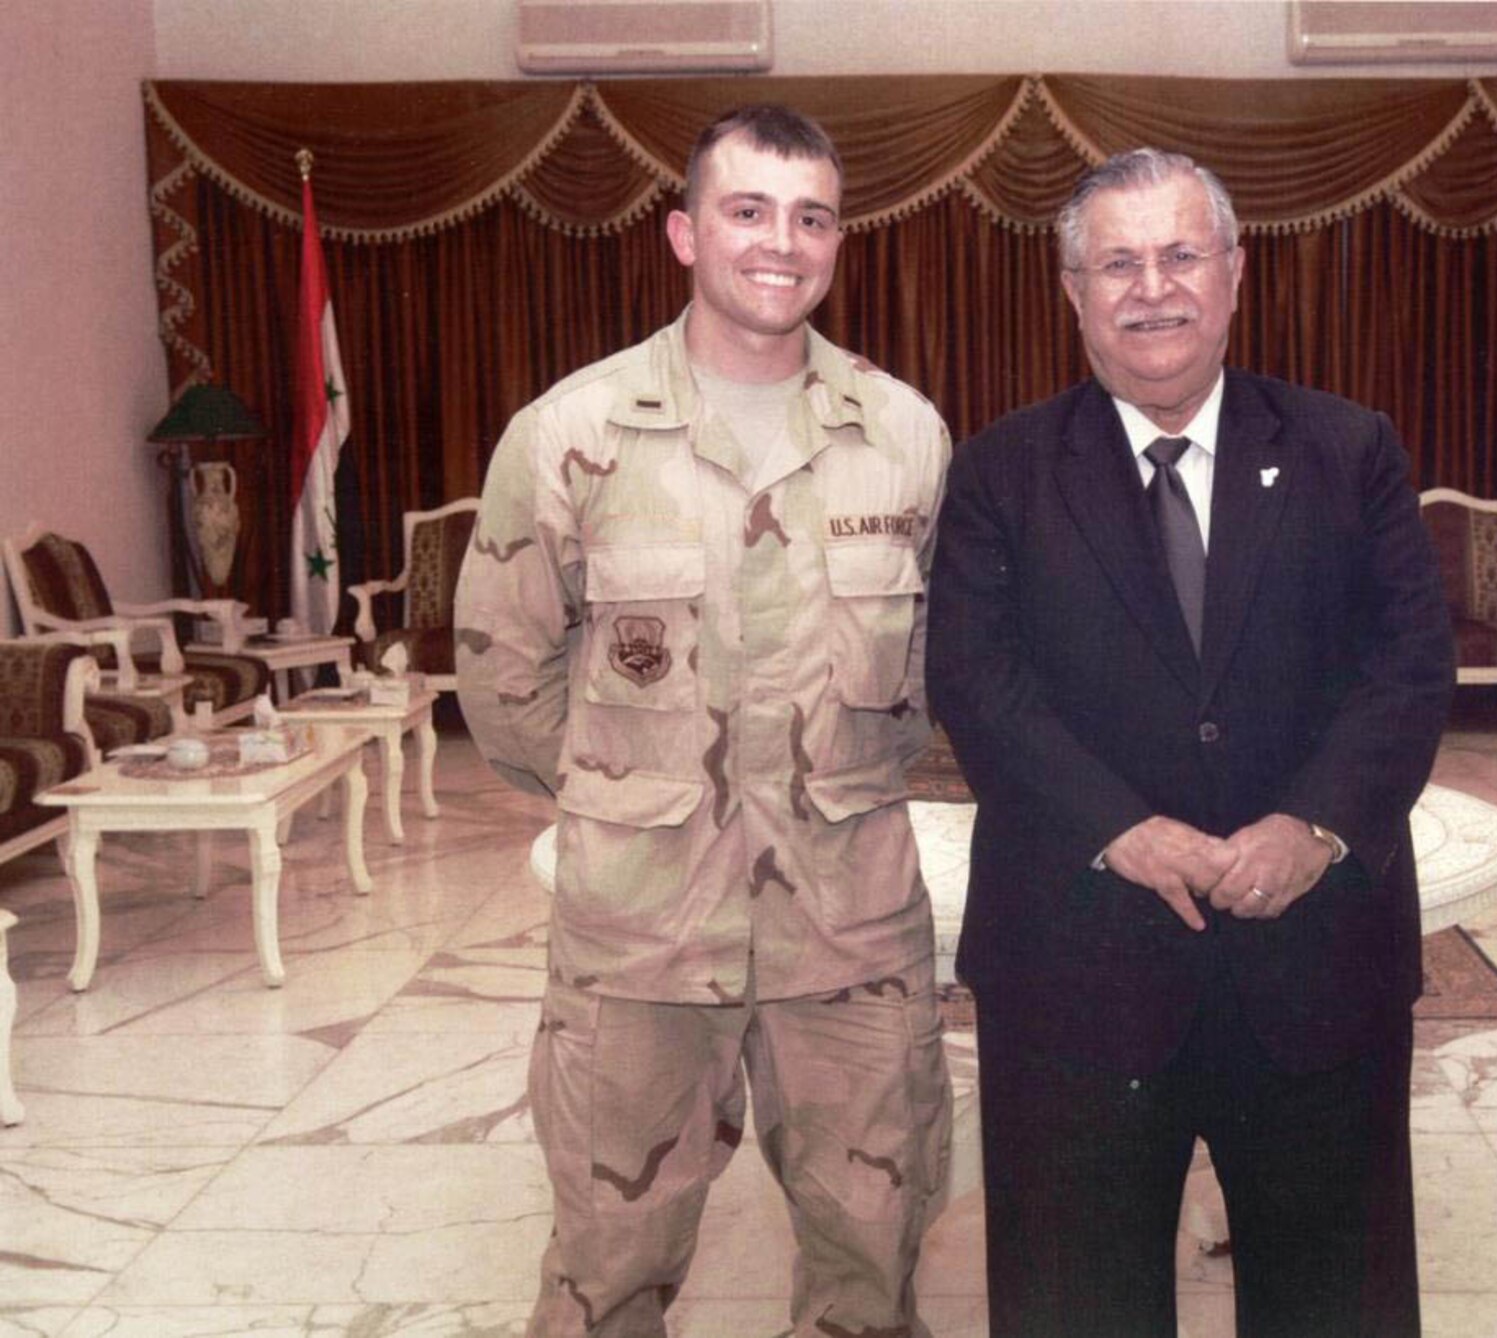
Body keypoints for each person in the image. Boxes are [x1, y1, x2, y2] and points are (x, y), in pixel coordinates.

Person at [926, 147, 1456, 1337]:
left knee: (1336, 1304)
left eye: (1178, 255)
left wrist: (1316, 824)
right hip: (1075, 975)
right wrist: (1118, 830)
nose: (1150, 287)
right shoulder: (1001, 470)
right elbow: (976, 681)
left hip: (1316, 969)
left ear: (1232, 273)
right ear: (1070, 291)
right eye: (1115, 262)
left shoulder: (1347, 449)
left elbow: (1408, 666)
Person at [457, 104, 952, 1338]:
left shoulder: (903, 436)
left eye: (810, 216)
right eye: (746, 210)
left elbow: (938, 677)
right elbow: (505, 686)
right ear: (683, 232)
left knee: (871, 1270)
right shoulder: (571, 436)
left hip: (847, 937)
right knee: (604, 1271)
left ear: (839, 240)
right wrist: (639, 802)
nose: (779, 243)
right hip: (639, 942)